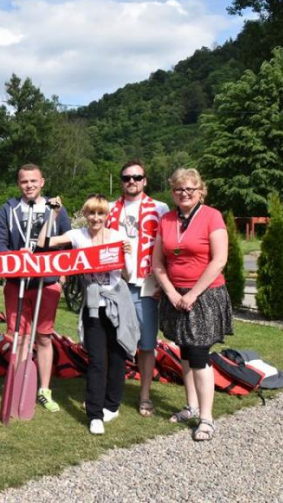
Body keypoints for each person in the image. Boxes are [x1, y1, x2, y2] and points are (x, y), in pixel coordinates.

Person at [39, 194, 138, 435]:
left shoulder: (118, 237)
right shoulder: (77, 236)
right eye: (91, 213)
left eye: (100, 213)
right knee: (96, 359)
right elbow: (43, 244)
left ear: (107, 216)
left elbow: (128, 274)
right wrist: (51, 214)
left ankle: (111, 405)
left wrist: (125, 255)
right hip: (93, 305)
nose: (96, 218)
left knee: (117, 356)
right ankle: (95, 414)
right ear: (85, 215)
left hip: (117, 302)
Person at [152, 168, 232, 441]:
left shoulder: (212, 216)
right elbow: (158, 262)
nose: (184, 194)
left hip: (205, 295)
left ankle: (207, 419)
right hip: (176, 294)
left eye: (190, 189)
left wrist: (193, 294)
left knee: (199, 355)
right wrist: (172, 293)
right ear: (172, 192)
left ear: (200, 191)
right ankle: (191, 406)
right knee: (184, 353)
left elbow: (219, 260)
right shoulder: (167, 220)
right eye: (178, 189)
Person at [0, 163, 71, 412]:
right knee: (20, 338)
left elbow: (69, 241)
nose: (29, 185)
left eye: (33, 181)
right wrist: (17, 257)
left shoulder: (56, 208)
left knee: (44, 337)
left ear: (42, 182)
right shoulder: (9, 209)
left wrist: (61, 275)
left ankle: (44, 390)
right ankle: (20, 384)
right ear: (19, 184)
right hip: (17, 283)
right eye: (24, 181)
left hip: (46, 283)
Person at [106, 160, 169, 417]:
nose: (131, 181)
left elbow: (167, 248)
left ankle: (144, 396)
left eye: (137, 177)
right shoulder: (109, 209)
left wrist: (165, 284)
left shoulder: (160, 208)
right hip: (115, 283)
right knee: (113, 342)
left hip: (145, 285)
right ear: (121, 181)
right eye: (126, 177)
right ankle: (111, 394)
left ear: (145, 180)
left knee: (145, 343)